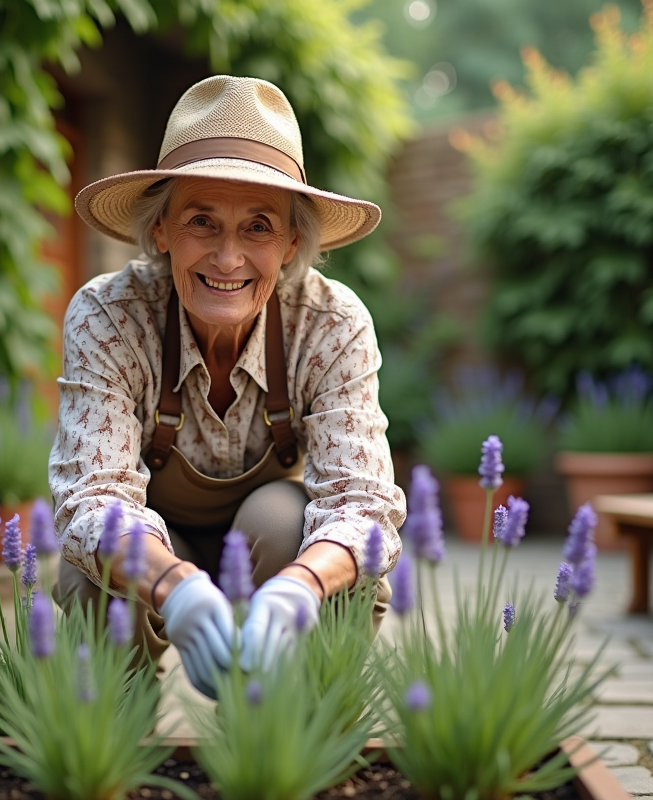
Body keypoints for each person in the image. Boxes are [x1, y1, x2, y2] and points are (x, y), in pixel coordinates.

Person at [50, 75, 405, 698]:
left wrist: (302, 587)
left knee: (304, 538)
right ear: (161, 230)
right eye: (202, 221)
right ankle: (112, 758)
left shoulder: (331, 322)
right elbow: (91, 499)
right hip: (156, 537)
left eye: (259, 226)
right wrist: (175, 586)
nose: (228, 257)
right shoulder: (109, 314)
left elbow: (364, 507)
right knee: (90, 579)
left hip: (273, 545)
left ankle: (289, 751)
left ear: (292, 242)